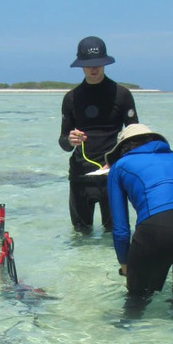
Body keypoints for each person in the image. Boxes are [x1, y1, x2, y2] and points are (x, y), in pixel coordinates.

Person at [105, 123, 173, 297]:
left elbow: (120, 229)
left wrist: (126, 266)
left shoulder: (119, 166)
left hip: (158, 227)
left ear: (122, 149)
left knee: (137, 302)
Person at [59, 36, 138, 231]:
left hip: (113, 175)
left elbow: (135, 138)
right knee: (80, 236)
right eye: (89, 64)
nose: (94, 69)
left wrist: (117, 161)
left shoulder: (122, 94)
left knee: (115, 235)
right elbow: (63, 143)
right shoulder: (71, 98)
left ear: (105, 63)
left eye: (98, 64)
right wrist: (71, 140)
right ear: (81, 66)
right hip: (80, 176)